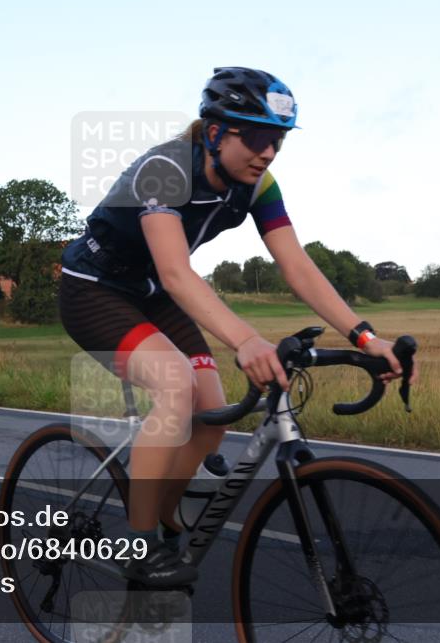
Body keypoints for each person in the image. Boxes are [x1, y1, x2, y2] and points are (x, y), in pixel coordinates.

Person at [58, 67, 419, 587]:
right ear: (213, 132)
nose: (267, 152)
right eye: (254, 137)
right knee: (175, 385)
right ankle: (138, 546)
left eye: (276, 140)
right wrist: (246, 339)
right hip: (94, 289)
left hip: (153, 293)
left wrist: (365, 336)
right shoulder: (164, 170)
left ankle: (162, 514)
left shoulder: (259, 185)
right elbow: (177, 273)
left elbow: (297, 267)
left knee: (213, 410)